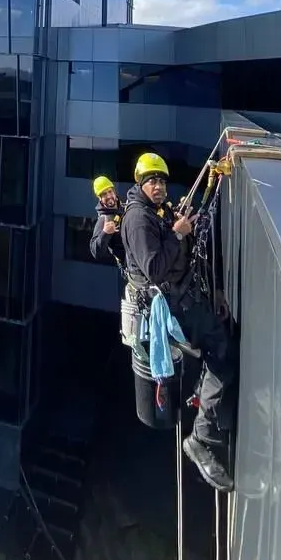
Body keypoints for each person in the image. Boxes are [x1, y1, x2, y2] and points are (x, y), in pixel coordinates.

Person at [119, 151, 236, 492]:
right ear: (141, 185)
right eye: (152, 181)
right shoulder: (137, 220)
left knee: (220, 341)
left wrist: (213, 288)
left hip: (186, 297)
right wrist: (178, 234)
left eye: (162, 181)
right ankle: (202, 435)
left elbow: (185, 247)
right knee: (222, 351)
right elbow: (155, 267)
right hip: (172, 305)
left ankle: (206, 399)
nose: (159, 187)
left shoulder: (157, 212)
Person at [89, 175, 126, 269]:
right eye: (104, 194)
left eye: (110, 191)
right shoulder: (104, 219)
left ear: (114, 192)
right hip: (131, 266)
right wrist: (105, 233)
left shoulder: (123, 207)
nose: (109, 196)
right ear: (100, 198)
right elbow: (95, 252)